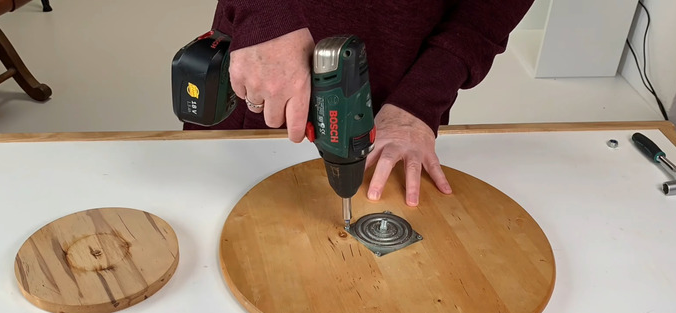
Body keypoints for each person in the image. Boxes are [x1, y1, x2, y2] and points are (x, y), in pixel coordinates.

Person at [185, 0, 535, 206]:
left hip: (398, 93)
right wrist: (264, 15)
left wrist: (420, 100)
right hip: (264, 69)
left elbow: (488, 12)